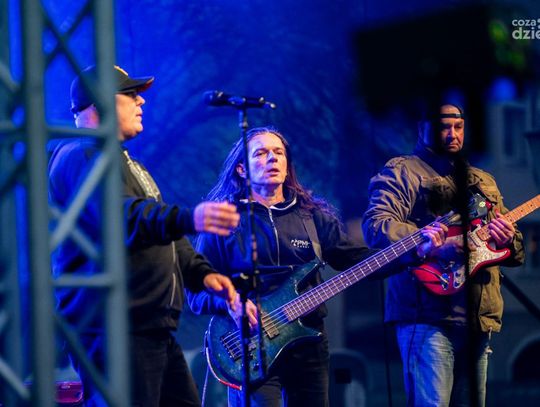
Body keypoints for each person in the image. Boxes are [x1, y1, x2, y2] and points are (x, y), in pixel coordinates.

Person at [186, 126, 446, 407]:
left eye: (278, 152)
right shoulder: (223, 221)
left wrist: (415, 252)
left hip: (308, 342)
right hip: (250, 344)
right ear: (241, 169)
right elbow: (196, 291)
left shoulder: (312, 216)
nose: (272, 159)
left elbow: (360, 261)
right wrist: (231, 303)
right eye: (261, 153)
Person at [48, 65, 240, 406]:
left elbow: (164, 233)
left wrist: (200, 273)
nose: (142, 102)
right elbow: (123, 215)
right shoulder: (80, 155)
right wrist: (189, 217)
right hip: (114, 329)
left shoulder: (126, 163)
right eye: (131, 94)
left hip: (149, 327)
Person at [362, 104, 525, 407]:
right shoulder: (403, 171)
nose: (452, 134)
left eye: (458, 127)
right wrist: (433, 243)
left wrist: (509, 239)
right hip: (425, 315)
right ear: (422, 128)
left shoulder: (483, 180)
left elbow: (513, 250)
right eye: (443, 127)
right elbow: (377, 225)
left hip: (477, 318)